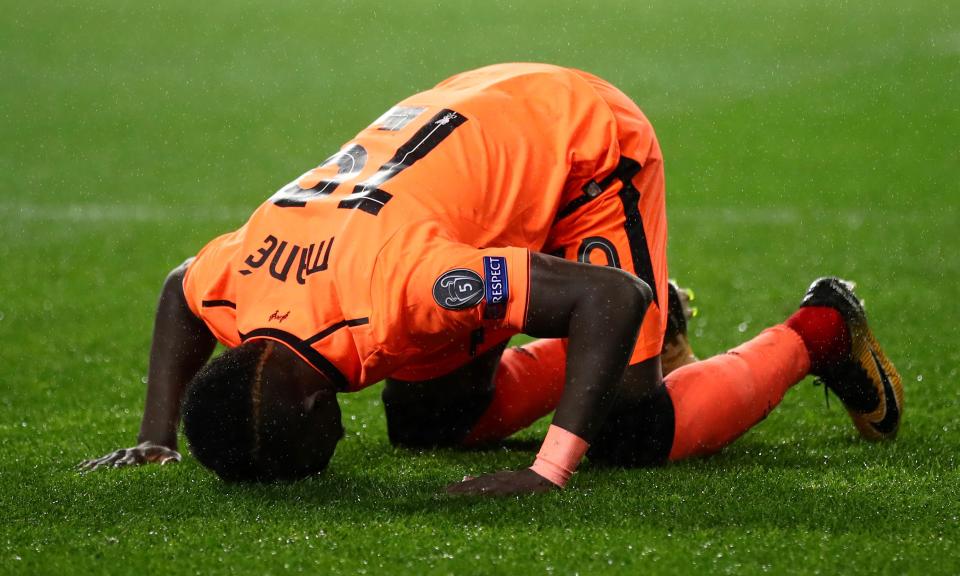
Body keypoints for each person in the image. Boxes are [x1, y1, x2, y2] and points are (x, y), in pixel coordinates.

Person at [80, 63, 903, 495]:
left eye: (305, 462)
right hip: (474, 130)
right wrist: (157, 438)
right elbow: (180, 290)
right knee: (428, 421)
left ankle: (818, 331)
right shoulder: (246, 284)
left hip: (578, 141)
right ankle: (634, 345)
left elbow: (610, 295)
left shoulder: (404, 289)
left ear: (306, 404)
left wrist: (549, 467)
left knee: (628, 428)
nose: (325, 465)